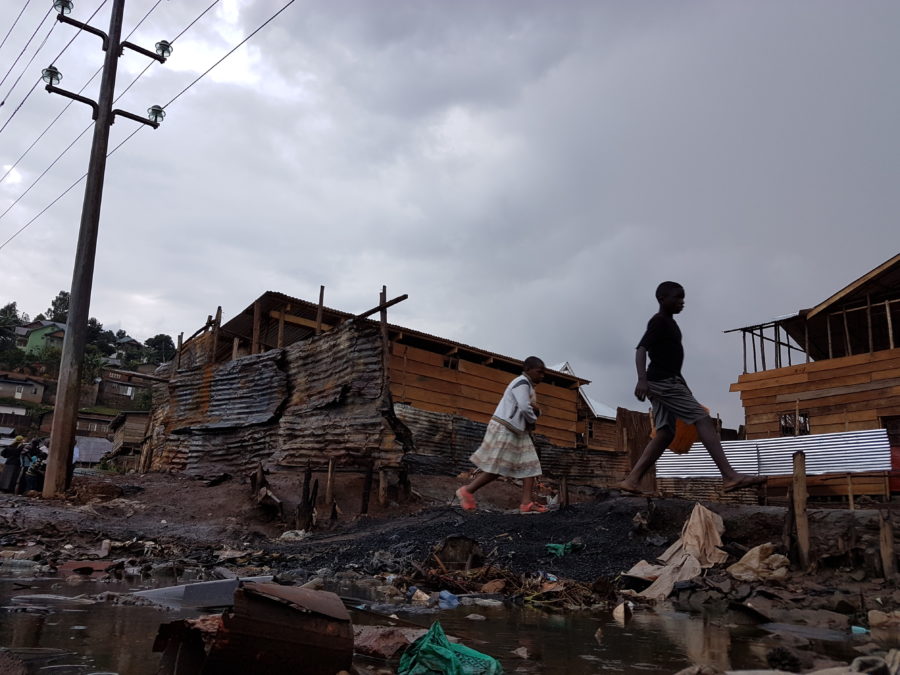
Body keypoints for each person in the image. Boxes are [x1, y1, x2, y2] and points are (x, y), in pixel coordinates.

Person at [616, 282, 765, 495]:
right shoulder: (658, 321)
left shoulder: (671, 324)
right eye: (677, 298)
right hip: (663, 382)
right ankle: (730, 476)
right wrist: (641, 380)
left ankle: (631, 480)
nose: (681, 302)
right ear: (662, 299)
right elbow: (641, 349)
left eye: (683, 298)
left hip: (668, 381)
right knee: (701, 419)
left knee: (666, 433)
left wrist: (683, 385)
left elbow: (670, 359)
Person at [455, 356, 549, 514]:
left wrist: (534, 413)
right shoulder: (522, 382)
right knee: (498, 467)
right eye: (539, 372)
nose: (542, 376)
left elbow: (526, 407)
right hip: (506, 428)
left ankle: (526, 503)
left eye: (543, 373)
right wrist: (534, 417)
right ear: (527, 370)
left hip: (517, 430)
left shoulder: (528, 386)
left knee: (531, 464)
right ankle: (467, 491)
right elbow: (525, 408)